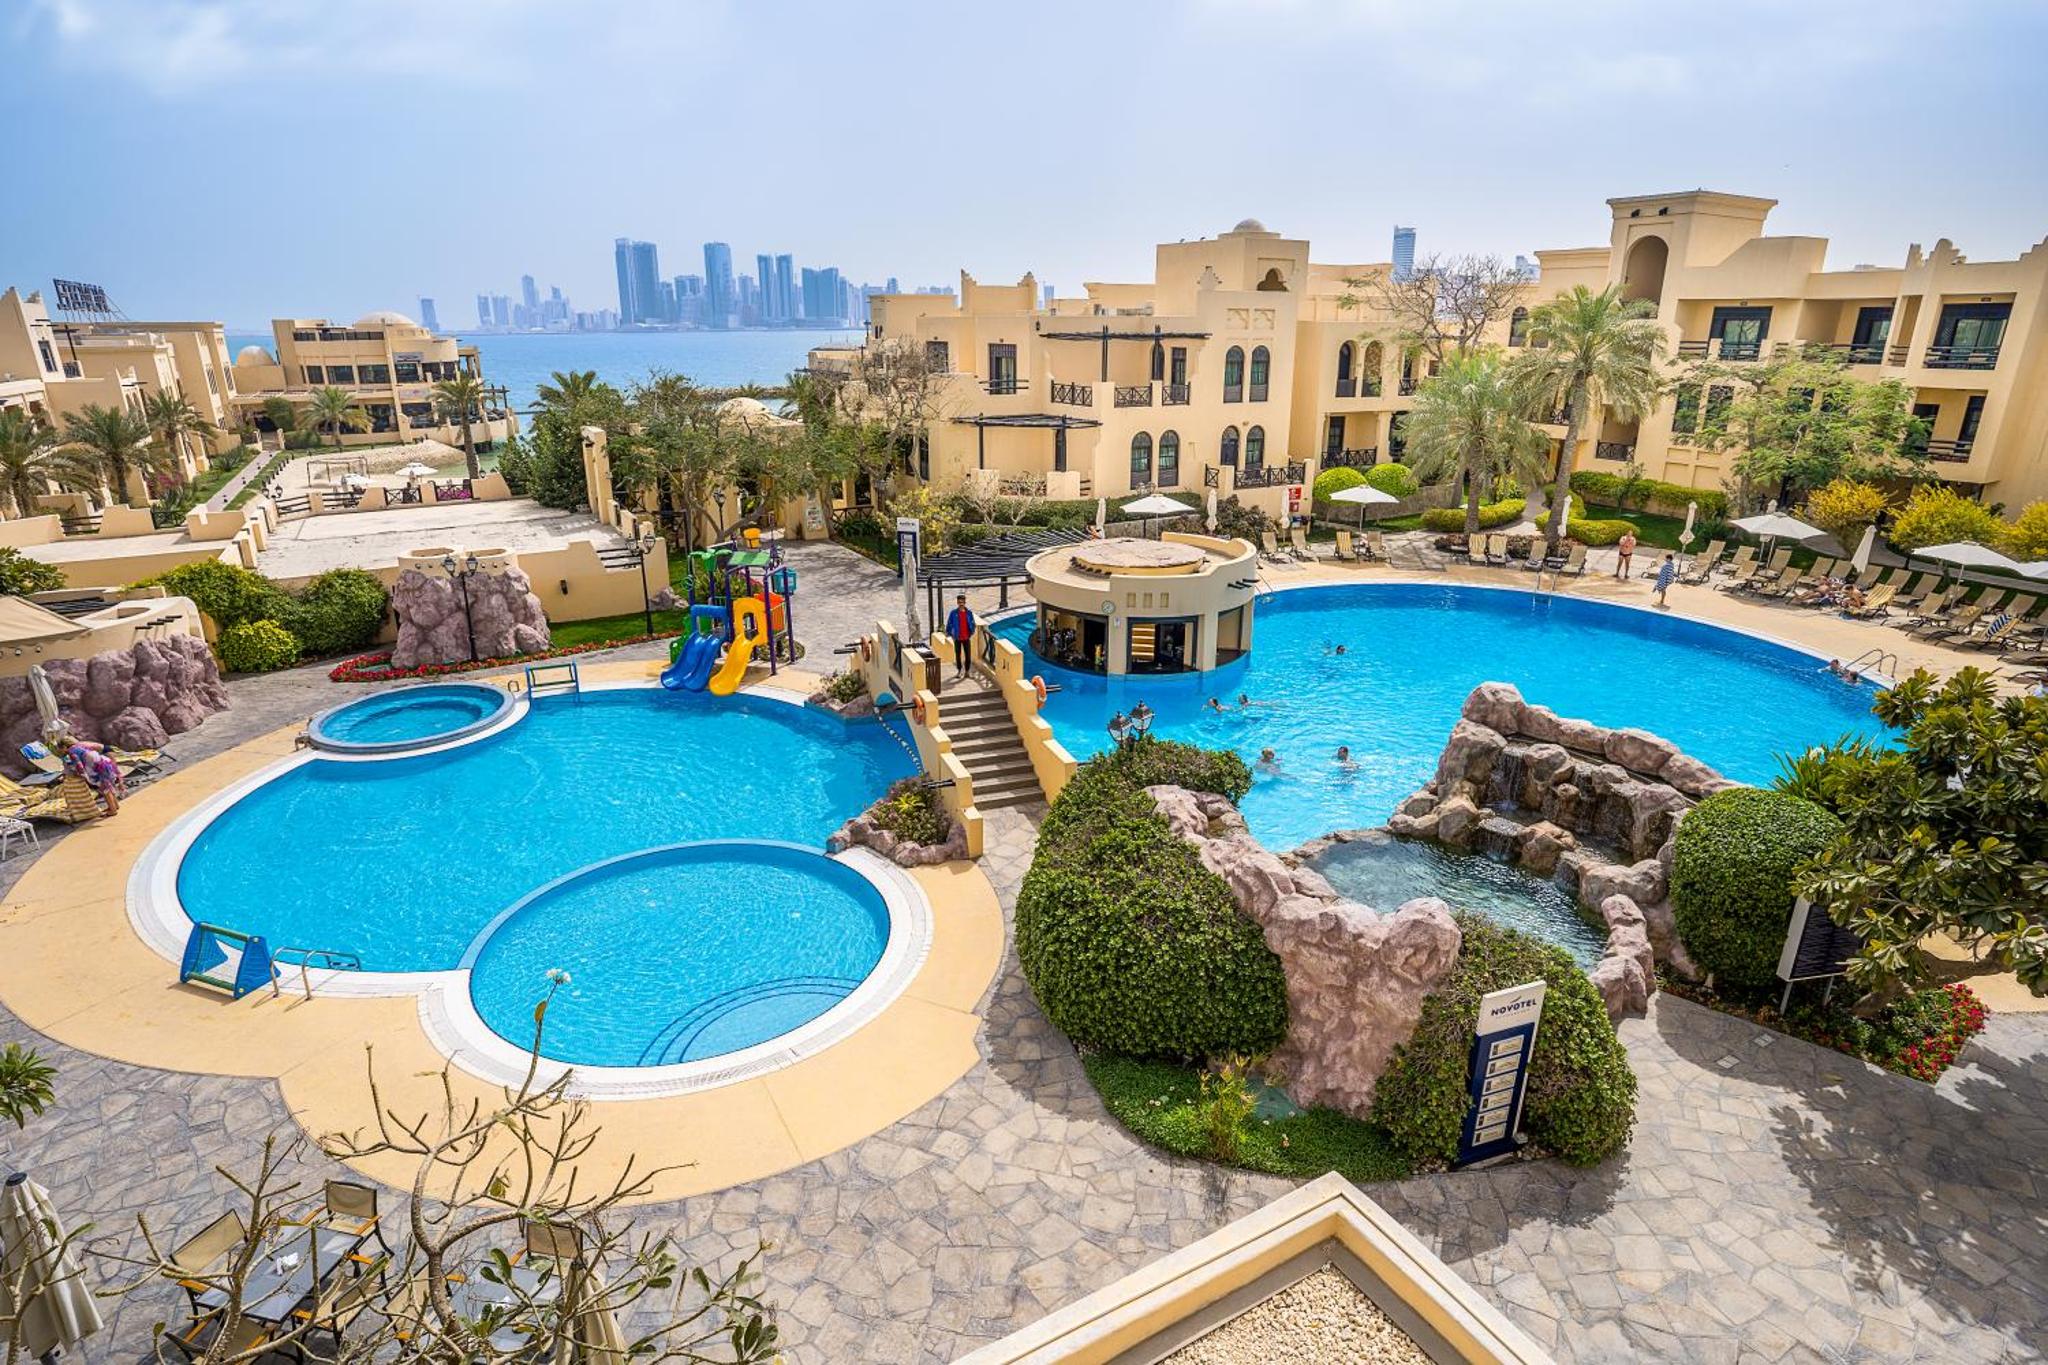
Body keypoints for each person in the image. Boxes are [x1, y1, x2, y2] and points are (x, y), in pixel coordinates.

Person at [62, 738, 124, 816]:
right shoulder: (80, 746)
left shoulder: (71, 752)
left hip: (99, 768)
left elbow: (79, 765)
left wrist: (82, 775)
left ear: (64, 746)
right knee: (108, 786)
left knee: (105, 790)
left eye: (61, 749)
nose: (61, 751)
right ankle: (115, 806)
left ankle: (113, 810)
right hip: (104, 762)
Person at [943, 593, 976, 679]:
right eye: (959, 602)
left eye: (962, 602)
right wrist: (949, 633)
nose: (961, 604)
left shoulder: (969, 613)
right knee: (958, 655)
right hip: (957, 638)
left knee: (968, 656)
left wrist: (972, 631)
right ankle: (959, 671)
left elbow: (972, 623)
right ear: (957, 602)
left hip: (966, 637)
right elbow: (949, 623)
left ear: (965, 602)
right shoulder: (953, 613)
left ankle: (967, 672)